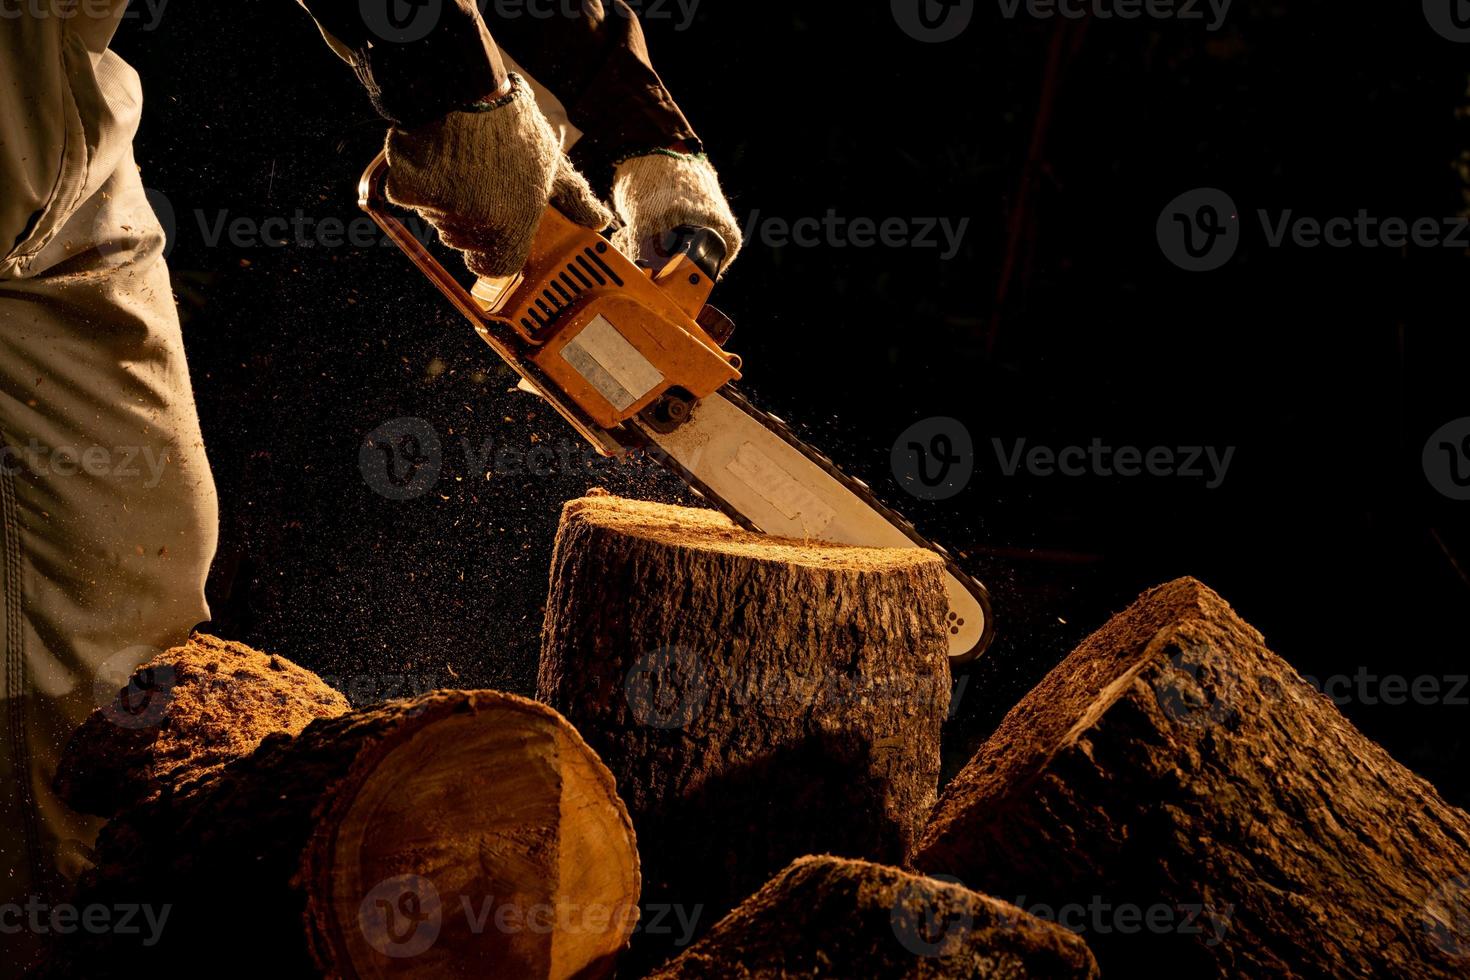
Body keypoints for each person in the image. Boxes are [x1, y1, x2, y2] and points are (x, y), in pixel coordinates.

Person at [0, 1, 740, 970]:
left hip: (59, 81)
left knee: (115, 572)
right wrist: (453, 92)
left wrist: (643, 134)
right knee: (92, 578)